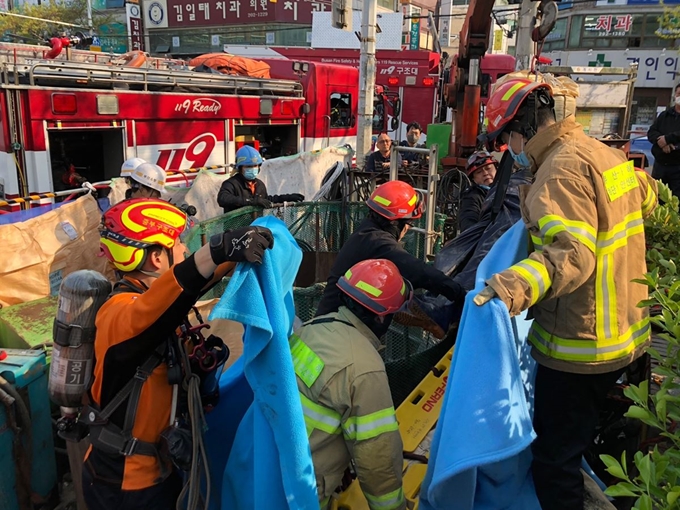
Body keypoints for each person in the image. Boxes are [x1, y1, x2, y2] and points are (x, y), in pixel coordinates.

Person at [473, 78, 658, 510]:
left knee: (555, 463)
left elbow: (571, 254)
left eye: (507, 137)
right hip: (629, 338)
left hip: (581, 348)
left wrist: (507, 288)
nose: (508, 148)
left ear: (527, 125)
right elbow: (646, 199)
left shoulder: (558, 172)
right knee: (609, 452)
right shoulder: (606, 158)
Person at [83, 198, 273, 510]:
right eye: (179, 244)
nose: (184, 250)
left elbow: (187, 288)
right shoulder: (120, 314)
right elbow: (170, 294)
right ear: (157, 257)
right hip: (124, 483)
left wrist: (237, 251)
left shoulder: (158, 304)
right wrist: (216, 250)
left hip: (157, 470)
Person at [295, 258, 408, 510]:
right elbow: (377, 459)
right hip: (301, 492)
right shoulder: (365, 368)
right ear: (381, 318)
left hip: (264, 468)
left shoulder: (311, 329)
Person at [315, 180, 465, 317]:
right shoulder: (378, 243)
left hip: (329, 323)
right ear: (397, 222)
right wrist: (458, 293)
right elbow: (418, 271)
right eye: (409, 224)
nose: (407, 230)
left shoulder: (366, 233)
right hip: (337, 328)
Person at [217, 145, 304, 213]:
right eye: (248, 166)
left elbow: (265, 200)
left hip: (256, 227)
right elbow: (223, 199)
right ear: (240, 168)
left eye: (255, 166)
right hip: (236, 231)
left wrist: (288, 198)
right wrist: (251, 201)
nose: (252, 168)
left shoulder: (259, 185)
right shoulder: (231, 183)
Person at [647, 83, 680, 197]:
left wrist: (668, 139)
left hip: (677, 167)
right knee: (657, 198)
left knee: (676, 201)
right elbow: (651, 132)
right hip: (660, 166)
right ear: (675, 95)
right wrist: (660, 142)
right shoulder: (664, 115)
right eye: (679, 94)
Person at [459, 151, 498, 232]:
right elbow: (468, 222)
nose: (485, 173)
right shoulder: (472, 198)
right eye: (479, 172)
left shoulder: (511, 188)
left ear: (497, 169)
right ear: (474, 179)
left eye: (488, 168)